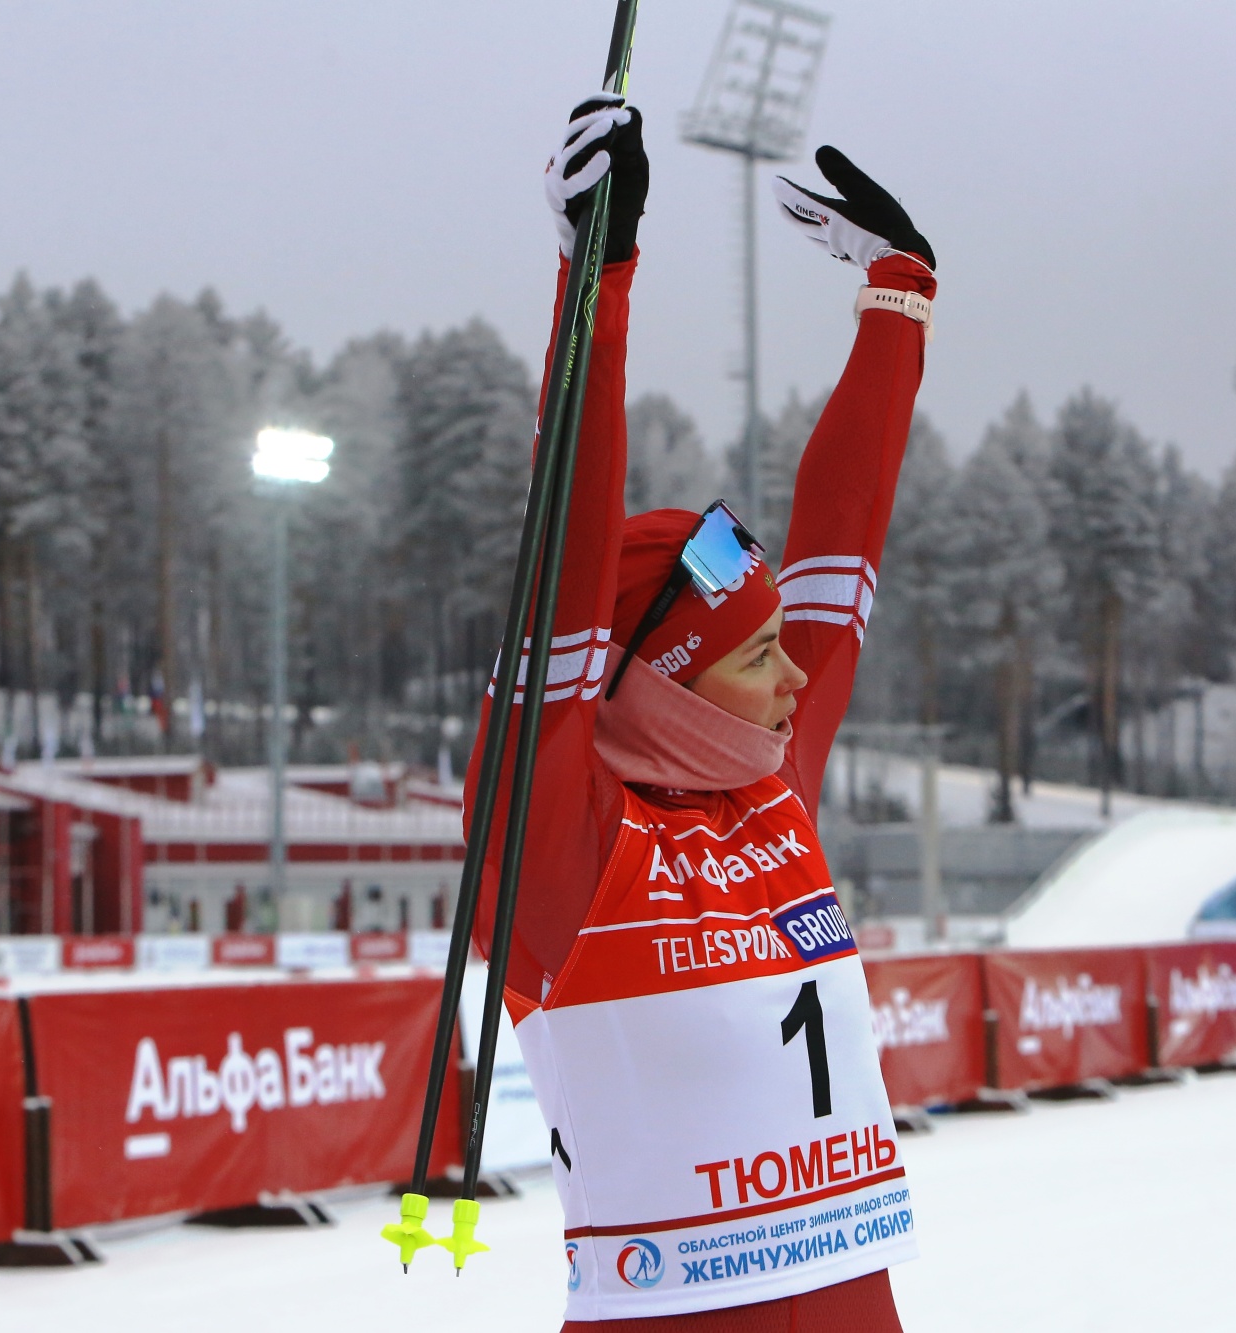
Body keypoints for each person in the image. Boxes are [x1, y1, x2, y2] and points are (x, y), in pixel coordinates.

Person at [464, 94, 936, 1331]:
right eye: (756, 657)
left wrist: (899, 296)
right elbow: (562, 577)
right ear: (662, 678)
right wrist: (596, 280)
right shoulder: (558, 851)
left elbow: (845, 546)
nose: (798, 682)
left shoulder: (768, 799)